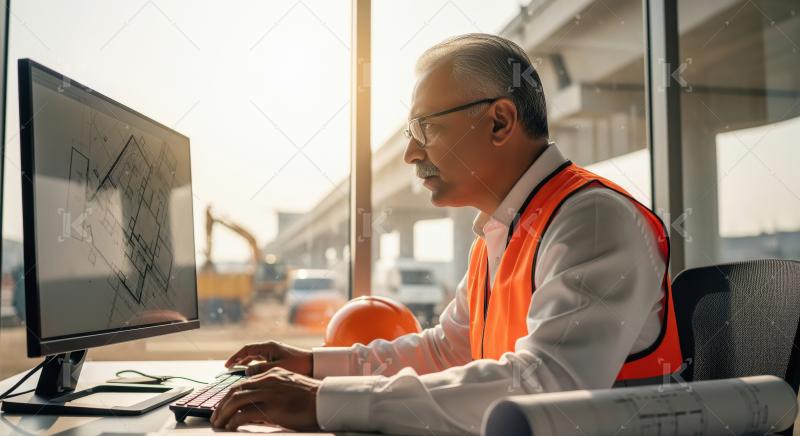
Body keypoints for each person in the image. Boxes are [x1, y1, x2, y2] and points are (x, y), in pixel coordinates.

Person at [211, 33, 681, 434]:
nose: (411, 154)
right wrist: (311, 365)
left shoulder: (592, 221)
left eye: (426, 128)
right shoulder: (498, 235)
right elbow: (444, 351)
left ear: (500, 121)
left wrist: (323, 401)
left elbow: (546, 387)